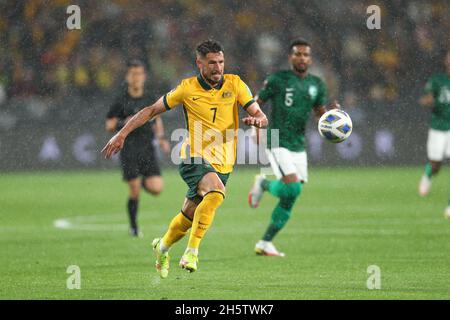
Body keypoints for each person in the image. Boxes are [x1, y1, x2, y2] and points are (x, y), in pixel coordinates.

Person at [102, 40, 268, 277]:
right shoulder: (186, 88)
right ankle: (192, 252)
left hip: (223, 162)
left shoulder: (236, 84)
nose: (218, 67)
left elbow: (259, 114)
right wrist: (122, 133)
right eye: (212, 63)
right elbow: (150, 111)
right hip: (193, 156)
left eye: (221, 62)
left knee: (188, 216)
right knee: (216, 193)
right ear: (199, 63)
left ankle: (162, 247)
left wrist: (259, 121)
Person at [248, 38, 339, 256]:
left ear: (310, 59)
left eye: (306, 55)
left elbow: (319, 112)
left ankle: (265, 242)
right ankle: (264, 185)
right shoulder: (278, 80)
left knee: (290, 195)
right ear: (290, 57)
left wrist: (332, 118)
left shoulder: (317, 84)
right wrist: (255, 128)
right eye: (297, 54)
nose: (302, 58)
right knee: (293, 186)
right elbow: (255, 103)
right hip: (277, 138)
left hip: (298, 143)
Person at [105, 60, 170, 237]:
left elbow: (156, 119)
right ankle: (134, 227)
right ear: (128, 76)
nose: (136, 78)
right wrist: (123, 123)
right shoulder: (120, 99)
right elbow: (109, 124)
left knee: (157, 188)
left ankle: (139, 181)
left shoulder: (149, 98)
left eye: (139, 74)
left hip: (147, 147)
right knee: (133, 191)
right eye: (133, 74)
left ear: (144, 76)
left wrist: (161, 137)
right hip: (128, 148)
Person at [417, 50, 450, 218]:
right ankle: (428, 175)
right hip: (438, 127)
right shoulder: (438, 80)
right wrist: (430, 100)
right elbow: (424, 99)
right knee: (436, 164)